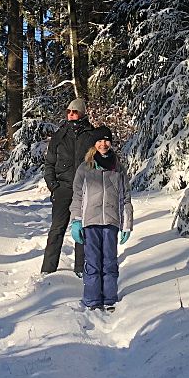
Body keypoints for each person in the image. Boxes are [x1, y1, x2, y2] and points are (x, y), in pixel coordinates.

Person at [69, 125, 133, 312]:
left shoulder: (118, 169)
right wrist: (76, 220)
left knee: (110, 262)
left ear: (111, 143)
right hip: (90, 222)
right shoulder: (85, 169)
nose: (103, 144)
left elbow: (125, 197)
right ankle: (92, 300)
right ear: (93, 145)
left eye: (106, 140)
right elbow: (77, 197)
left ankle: (110, 298)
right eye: (99, 141)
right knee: (93, 261)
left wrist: (127, 224)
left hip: (111, 222)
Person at [41, 97, 94, 276]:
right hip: (62, 188)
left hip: (85, 189)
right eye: (69, 112)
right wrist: (53, 187)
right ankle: (47, 270)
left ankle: (81, 269)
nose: (71, 115)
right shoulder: (59, 135)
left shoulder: (91, 135)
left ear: (82, 113)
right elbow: (49, 163)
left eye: (75, 112)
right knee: (57, 229)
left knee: (83, 230)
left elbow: (98, 161)